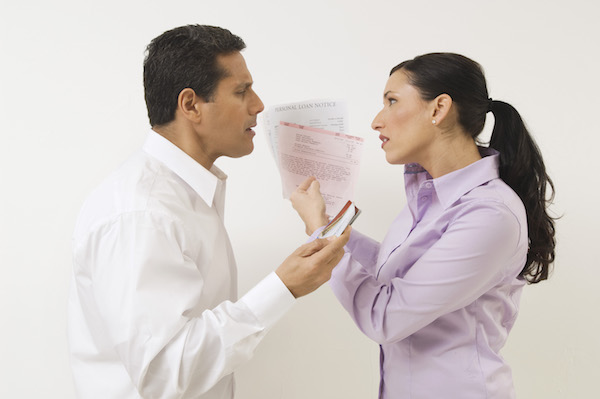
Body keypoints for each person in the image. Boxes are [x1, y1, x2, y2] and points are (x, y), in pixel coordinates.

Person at [67, 24, 350, 399]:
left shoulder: (183, 194)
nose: (259, 105)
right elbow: (166, 374)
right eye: (241, 91)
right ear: (190, 105)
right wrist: (283, 287)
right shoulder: (142, 214)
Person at [291, 52, 556, 399]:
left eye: (391, 101)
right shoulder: (428, 196)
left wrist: (318, 231)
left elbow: (384, 317)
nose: (376, 121)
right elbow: (393, 273)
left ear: (438, 109)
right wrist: (329, 227)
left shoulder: (490, 214)